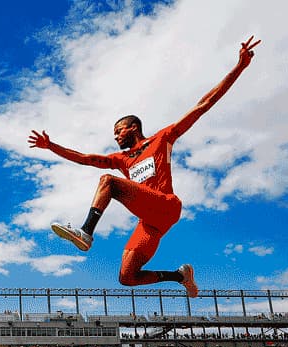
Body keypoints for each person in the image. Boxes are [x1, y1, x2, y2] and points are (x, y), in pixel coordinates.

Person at [28, 36, 261, 297]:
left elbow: (203, 105)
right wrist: (52, 146)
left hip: (165, 204)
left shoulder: (163, 138)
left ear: (133, 127)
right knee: (127, 277)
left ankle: (86, 232)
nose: (116, 136)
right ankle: (179, 275)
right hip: (150, 223)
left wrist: (239, 67)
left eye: (119, 131)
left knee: (108, 181)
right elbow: (85, 158)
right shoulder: (122, 159)